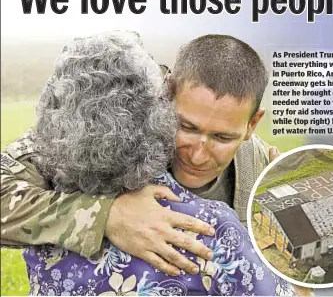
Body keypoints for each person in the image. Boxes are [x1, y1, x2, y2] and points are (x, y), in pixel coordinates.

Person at [20, 31, 295, 296]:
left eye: (222, 138)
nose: (198, 156)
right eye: (185, 127)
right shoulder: (219, 229)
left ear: (252, 125)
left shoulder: (50, 188)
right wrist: (106, 215)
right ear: (163, 98)